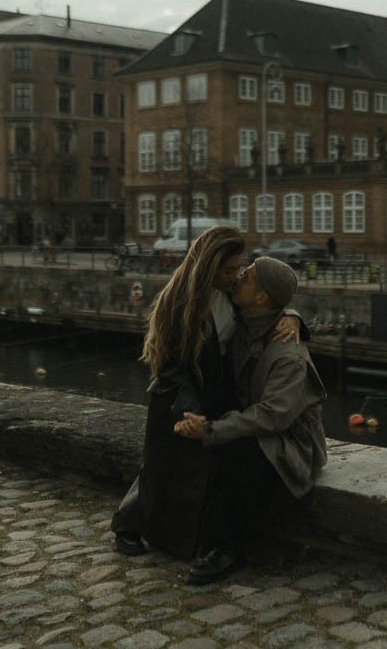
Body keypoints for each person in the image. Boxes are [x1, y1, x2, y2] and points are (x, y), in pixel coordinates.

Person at [111, 227, 301, 560]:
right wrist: (191, 411)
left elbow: (264, 305)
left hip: (212, 392)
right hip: (177, 396)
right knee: (162, 471)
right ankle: (125, 526)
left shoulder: (228, 292)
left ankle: (189, 538)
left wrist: (292, 317)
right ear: (209, 266)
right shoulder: (179, 303)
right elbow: (172, 368)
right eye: (228, 270)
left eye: (238, 270)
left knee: (197, 473)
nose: (235, 277)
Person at [175, 257, 328, 585]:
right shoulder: (246, 321)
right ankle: (200, 535)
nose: (238, 278)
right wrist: (293, 314)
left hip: (291, 444)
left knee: (240, 453)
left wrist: (212, 430)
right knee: (217, 446)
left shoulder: (289, 356)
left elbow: (272, 417)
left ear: (260, 298)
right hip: (262, 425)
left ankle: (230, 550)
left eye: (247, 277)